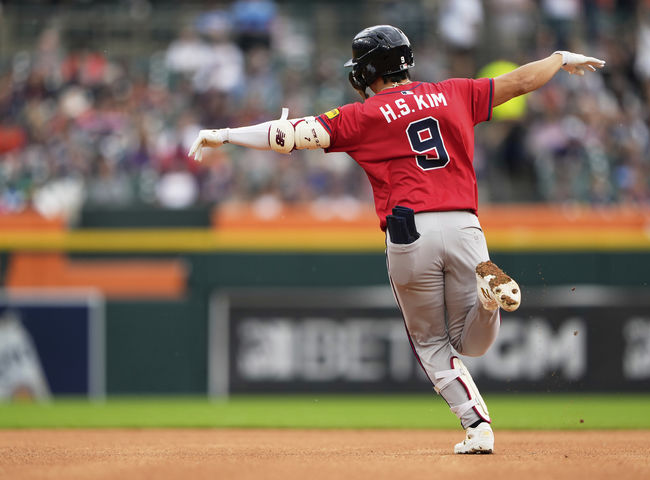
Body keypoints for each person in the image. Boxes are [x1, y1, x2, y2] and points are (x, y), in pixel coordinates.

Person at [188, 25, 604, 454]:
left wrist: (227, 134)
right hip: (464, 225)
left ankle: (479, 426)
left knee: (431, 342)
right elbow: (520, 82)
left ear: (369, 70)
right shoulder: (454, 92)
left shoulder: (362, 115)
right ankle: (487, 299)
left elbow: (287, 135)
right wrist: (559, 58)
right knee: (474, 343)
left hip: (410, 230)